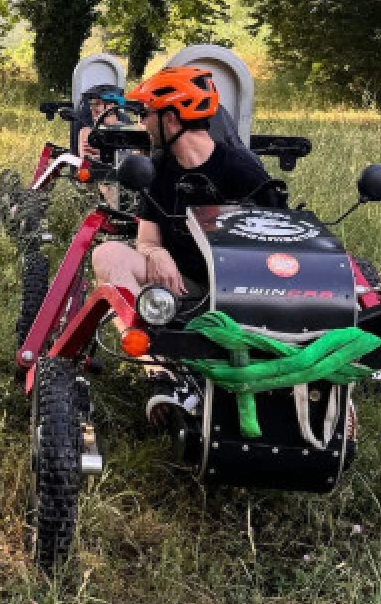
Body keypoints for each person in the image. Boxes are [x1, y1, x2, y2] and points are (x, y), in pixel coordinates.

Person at [89, 66, 280, 422]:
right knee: (107, 254)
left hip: (241, 291)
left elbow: (279, 244)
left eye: (147, 114)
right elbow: (146, 239)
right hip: (181, 284)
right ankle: (160, 374)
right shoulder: (159, 169)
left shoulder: (241, 168)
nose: (143, 123)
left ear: (171, 119)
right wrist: (157, 253)